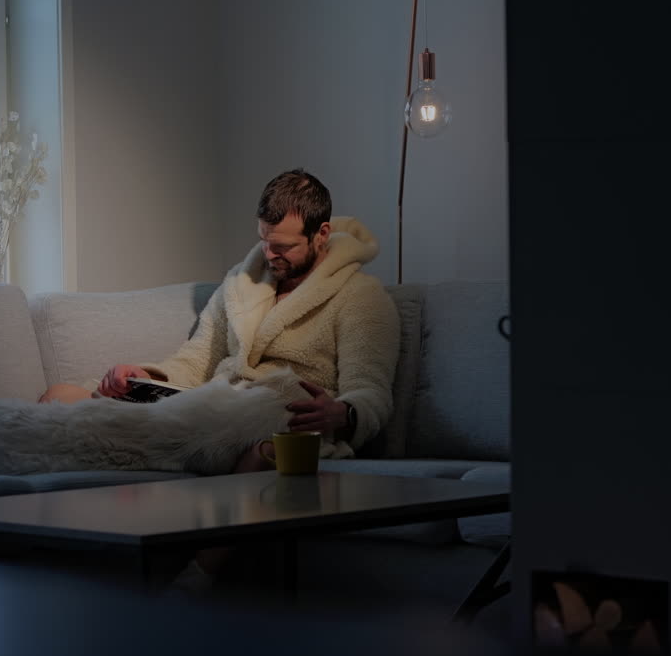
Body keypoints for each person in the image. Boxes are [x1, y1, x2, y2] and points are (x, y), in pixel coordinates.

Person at [37, 168, 401, 591]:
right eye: (264, 240)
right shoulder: (240, 283)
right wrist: (147, 377)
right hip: (210, 407)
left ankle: (196, 578)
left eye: (282, 246)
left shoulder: (361, 298)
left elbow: (372, 390)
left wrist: (342, 412)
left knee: (268, 450)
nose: (269, 254)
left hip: (285, 423)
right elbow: (198, 359)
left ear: (321, 235)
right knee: (60, 395)